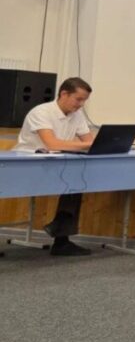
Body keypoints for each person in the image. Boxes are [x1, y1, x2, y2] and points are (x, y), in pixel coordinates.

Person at [13, 77, 96, 256]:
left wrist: (92, 144)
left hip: (55, 163)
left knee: (77, 179)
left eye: (84, 101)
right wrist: (86, 145)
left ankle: (61, 239)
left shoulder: (77, 115)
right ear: (64, 94)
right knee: (74, 179)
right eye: (78, 99)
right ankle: (60, 231)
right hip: (27, 164)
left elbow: (90, 141)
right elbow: (52, 144)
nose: (81, 105)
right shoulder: (41, 112)